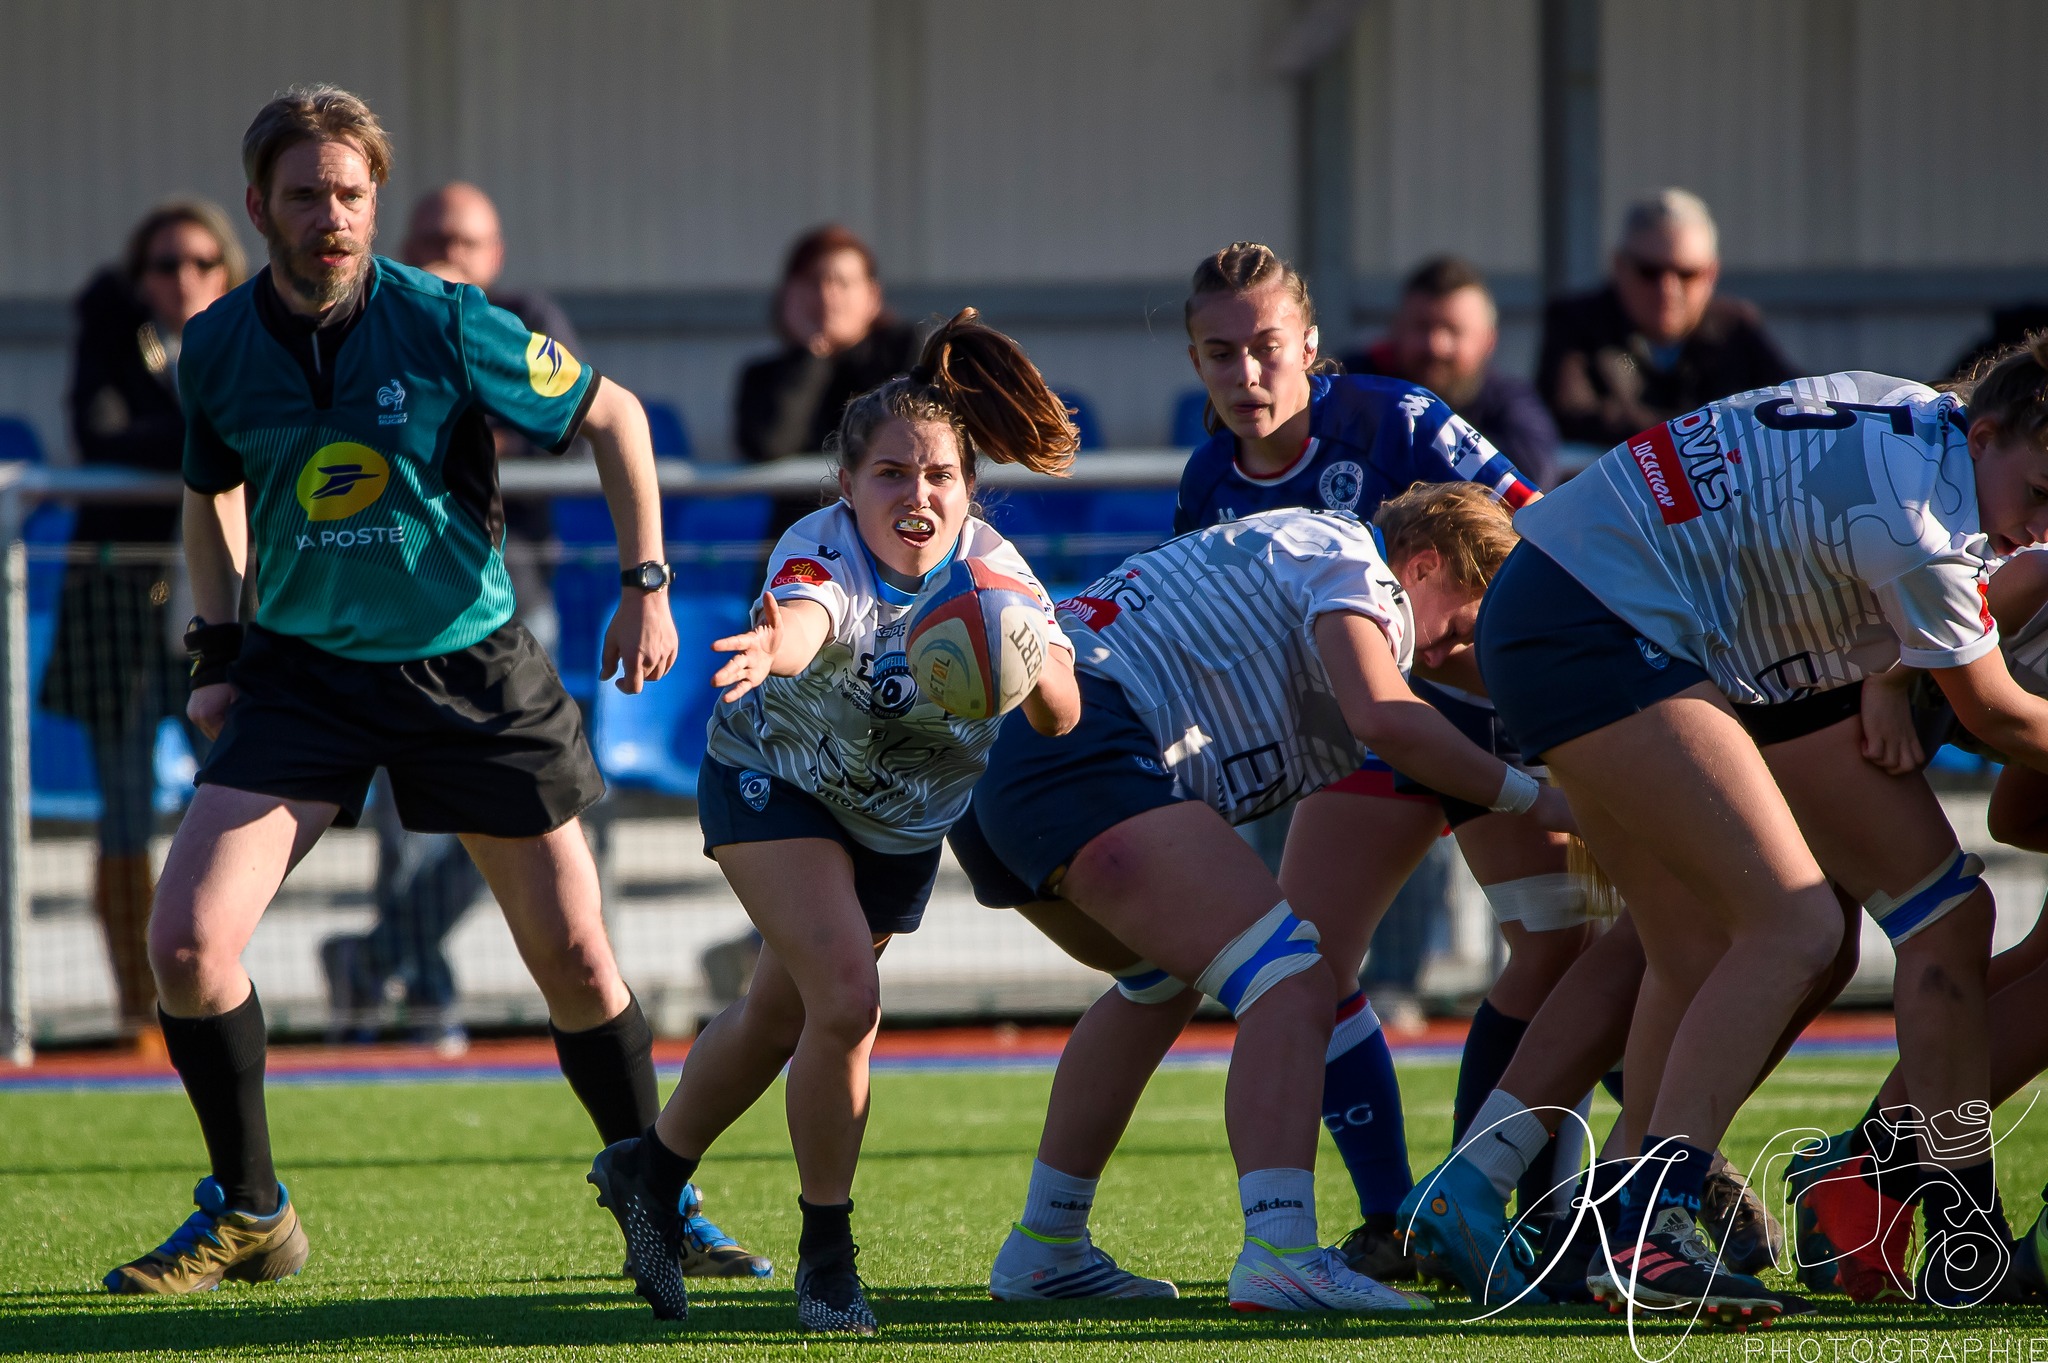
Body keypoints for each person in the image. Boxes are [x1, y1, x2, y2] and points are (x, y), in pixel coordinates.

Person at [104, 85, 678, 1296]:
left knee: (576, 956)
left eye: (352, 194)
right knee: (188, 944)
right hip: (303, 677)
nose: (332, 216)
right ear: (258, 205)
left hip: (467, 663)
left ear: (375, 200)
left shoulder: (447, 320)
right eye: (305, 195)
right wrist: (218, 653)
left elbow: (614, 417)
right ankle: (252, 1211)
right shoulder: (212, 346)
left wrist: (648, 584)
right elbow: (207, 498)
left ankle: (663, 1202)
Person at [1443, 355, 2048, 1316]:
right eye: (2043, 491)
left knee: (1711, 943)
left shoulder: (1913, 409)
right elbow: (1998, 714)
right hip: (1606, 624)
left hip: (1613, 613)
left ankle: (1592, 1212)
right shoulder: (1927, 525)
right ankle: (1645, 1220)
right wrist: (1894, 678)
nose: (2044, 523)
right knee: (1793, 928)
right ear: (1985, 436)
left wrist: (1891, 678)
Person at [951, 487, 1575, 1312]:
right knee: (1293, 979)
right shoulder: (1358, 568)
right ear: (1425, 565)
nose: (1460, 647)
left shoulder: (1300, 550)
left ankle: (1046, 1244)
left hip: (1008, 760)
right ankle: (1281, 1249)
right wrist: (1539, 800)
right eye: (1466, 617)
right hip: (1081, 742)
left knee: (1155, 985)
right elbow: (1385, 717)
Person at [586, 309, 1081, 1335]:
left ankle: (650, 1170)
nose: (917, 494)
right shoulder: (818, 552)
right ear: (846, 486)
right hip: (775, 780)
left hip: (897, 824)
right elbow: (807, 614)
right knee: (845, 1000)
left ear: (969, 489)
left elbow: (1063, 711)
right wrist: (776, 645)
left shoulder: (996, 576)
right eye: (891, 474)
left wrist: (1024, 663)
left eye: (939, 474)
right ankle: (828, 1256)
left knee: (781, 1014)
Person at [1173, 242, 1602, 1279]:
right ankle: (1391, 1220)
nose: (1244, 375)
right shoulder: (1203, 480)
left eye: (1264, 348)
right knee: (1306, 969)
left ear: (1308, 347)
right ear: (1196, 362)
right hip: (1359, 737)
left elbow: (1535, 530)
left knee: (1560, 945)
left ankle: (1507, 1194)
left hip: (1486, 714)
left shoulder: (1398, 419)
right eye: (1218, 354)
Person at [318, 182, 586, 1052]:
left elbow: (556, 421)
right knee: (403, 817)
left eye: (465, 241)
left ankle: (381, 954)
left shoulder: (523, 313)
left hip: (509, 593)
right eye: (432, 236)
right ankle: (418, 985)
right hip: (394, 593)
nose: (447, 254)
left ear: (495, 254)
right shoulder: (373, 313)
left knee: (524, 805)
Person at [44, 200, 245, 1054]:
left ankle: (216, 992)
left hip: (223, 612)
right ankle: (139, 1010)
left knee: (234, 802)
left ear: (229, 268)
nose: (183, 278)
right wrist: (205, 430)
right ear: (138, 277)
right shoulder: (114, 334)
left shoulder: (249, 331)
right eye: (163, 265)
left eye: (202, 262)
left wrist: (173, 436)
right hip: (123, 607)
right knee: (124, 808)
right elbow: (98, 433)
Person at [1536, 189, 1797, 451]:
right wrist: (1710, 430)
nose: (1667, 290)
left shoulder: (1736, 328)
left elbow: (1794, 403)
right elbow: (1567, 413)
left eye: (1687, 274)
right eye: (1649, 272)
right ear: (1619, 266)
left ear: (1711, 274)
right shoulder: (1577, 322)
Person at [735, 224, 920, 538]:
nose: (826, 295)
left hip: (899, 532)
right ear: (788, 295)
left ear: (872, 295)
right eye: (812, 282)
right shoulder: (763, 375)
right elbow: (769, 444)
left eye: (842, 282)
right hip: (802, 542)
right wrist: (813, 354)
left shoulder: (910, 353)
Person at [1343, 256, 1561, 488]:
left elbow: (1532, 475)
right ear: (1396, 329)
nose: (1435, 346)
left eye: (1453, 330)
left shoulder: (1510, 403)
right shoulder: (1355, 383)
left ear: (1488, 341)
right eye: (1421, 327)